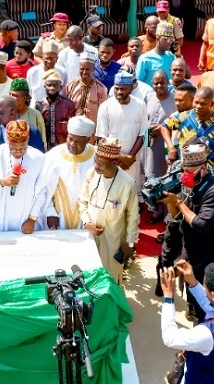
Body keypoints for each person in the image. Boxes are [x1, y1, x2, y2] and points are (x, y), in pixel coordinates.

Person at [159, 142, 214, 307]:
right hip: (190, 247)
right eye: (184, 170)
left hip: (209, 254)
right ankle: (192, 307)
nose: (185, 175)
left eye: (189, 172)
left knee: (206, 297)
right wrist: (170, 201)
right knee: (191, 288)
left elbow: (201, 225)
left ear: (203, 167)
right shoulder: (188, 183)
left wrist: (177, 202)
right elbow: (177, 216)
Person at [77, 137, 140, 284]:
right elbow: (82, 201)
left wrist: (130, 245)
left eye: (101, 164)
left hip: (113, 240)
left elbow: (133, 217)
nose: (96, 166)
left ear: (115, 163)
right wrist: (87, 222)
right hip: (90, 236)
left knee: (110, 278)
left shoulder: (127, 184)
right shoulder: (91, 174)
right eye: (95, 161)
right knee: (89, 275)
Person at [0, 119, 49, 233]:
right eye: (14, 148)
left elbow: (42, 191)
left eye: (23, 148)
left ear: (28, 140)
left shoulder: (38, 158)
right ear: (7, 141)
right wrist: (1, 182)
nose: (18, 152)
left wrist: (32, 219)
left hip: (26, 219)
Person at [161, 87, 214, 179]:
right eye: (196, 102)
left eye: (203, 104)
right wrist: (171, 148)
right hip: (183, 173)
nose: (198, 106)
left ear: (212, 104)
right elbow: (165, 126)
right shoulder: (184, 117)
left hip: (208, 177)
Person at [43, 117, 96, 230]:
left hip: (88, 218)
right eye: (70, 139)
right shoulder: (53, 155)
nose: (72, 144)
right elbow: (44, 187)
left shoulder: (96, 157)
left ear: (87, 140)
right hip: (58, 218)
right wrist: (50, 212)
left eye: (78, 142)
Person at [95, 72, 148, 180]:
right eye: (116, 88)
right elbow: (102, 138)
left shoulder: (140, 105)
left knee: (131, 191)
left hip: (132, 161)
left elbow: (143, 134)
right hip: (110, 160)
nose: (119, 92)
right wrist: (121, 157)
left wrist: (129, 158)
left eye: (123, 89)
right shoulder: (105, 107)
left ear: (131, 88)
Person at [36, 70, 77, 148]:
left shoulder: (69, 105)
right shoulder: (39, 104)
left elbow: (73, 128)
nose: (52, 88)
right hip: (45, 146)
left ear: (60, 87)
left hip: (63, 147)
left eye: (55, 85)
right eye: (49, 85)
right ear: (44, 87)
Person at [65, 53, 108, 123]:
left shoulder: (101, 89)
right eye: (82, 69)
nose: (84, 72)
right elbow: (65, 108)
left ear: (93, 69)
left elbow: (104, 113)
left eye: (87, 69)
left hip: (92, 129)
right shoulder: (70, 86)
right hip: (73, 128)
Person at [136, 23, 176, 88]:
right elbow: (138, 82)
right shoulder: (145, 59)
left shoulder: (171, 56)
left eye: (171, 40)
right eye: (166, 39)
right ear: (158, 38)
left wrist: (178, 54)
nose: (169, 42)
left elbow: (186, 75)